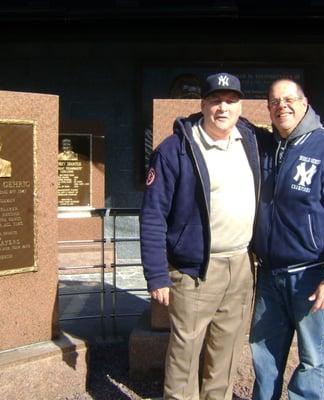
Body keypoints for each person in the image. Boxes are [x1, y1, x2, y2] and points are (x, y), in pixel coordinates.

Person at [140, 72, 260, 400]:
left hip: (240, 265)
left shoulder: (249, 140)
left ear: (240, 106)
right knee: (185, 351)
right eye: (216, 100)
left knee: (226, 351)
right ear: (202, 104)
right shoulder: (174, 151)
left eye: (231, 101)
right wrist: (156, 276)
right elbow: (152, 216)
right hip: (195, 270)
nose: (223, 108)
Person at [250, 79, 324, 400]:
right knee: (263, 356)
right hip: (270, 276)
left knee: (312, 360)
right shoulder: (266, 147)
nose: (281, 106)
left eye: (289, 99)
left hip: (311, 277)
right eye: (274, 101)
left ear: (305, 102)